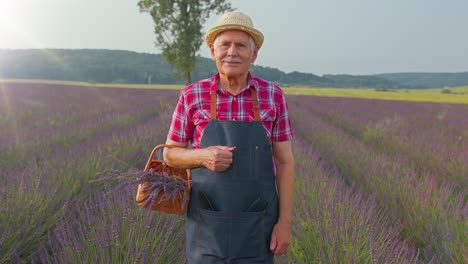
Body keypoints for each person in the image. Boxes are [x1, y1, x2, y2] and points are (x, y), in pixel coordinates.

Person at [163, 11, 295, 264]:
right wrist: (202, 156)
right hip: (206, 223)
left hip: (258, 224)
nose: (232, 52)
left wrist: (284, 223)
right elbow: (169, 154)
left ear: (253, 54)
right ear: (213, 50)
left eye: (241, 45)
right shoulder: (192, 95)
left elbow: (286, 163)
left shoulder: (273, 96)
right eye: (225, 44)